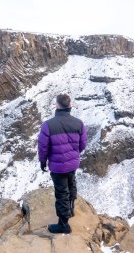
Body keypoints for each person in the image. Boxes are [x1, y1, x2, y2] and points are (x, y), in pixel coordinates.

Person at [37, 94, 87, 234]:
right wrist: (72, 154)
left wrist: (43, 161)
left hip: (58, 166)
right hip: (73, 163)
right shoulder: (79, 123)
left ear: (57, 106)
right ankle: (70, 209)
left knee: (61, 193)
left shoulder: (48, 125)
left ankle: (63, 225)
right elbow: (82, 145)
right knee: (71, 185)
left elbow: (43, 147)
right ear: (70, 106)